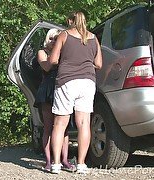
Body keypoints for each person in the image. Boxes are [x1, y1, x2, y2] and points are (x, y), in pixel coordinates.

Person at [48, 11, 102, 174]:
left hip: (67, 81)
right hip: (87, 82)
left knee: (60, 123)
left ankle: (56, 164)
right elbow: (98, 64)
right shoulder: (93, 38)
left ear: (71, 21)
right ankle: (81, 164)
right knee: (84, 123)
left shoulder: (64, 35)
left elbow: (53, 60)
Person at [34, 28, 75, 172]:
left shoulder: (64, 52)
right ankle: (48, 160)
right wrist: (55, 52)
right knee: (48, 127)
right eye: (51, 38)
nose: (53, 41)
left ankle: (64, 159)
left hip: (63, 88)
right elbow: (46, 66)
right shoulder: (42, 52)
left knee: (64, 128)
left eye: (56, 39)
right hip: (47, 89)